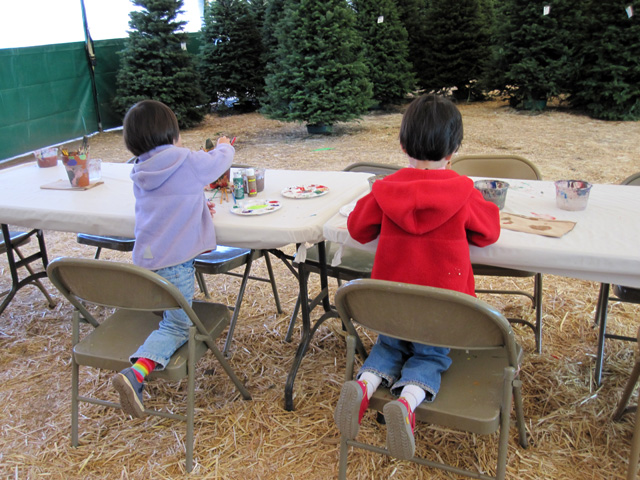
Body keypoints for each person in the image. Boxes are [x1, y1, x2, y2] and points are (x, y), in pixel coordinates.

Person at [334, 94, 501, 459]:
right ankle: (407, 403)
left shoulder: (384, 189)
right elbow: (489, 232)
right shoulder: (463, 191)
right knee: (431, 356)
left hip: (390, 307)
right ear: (454, 148)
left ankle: (363, 386)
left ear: (402, 144)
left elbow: (358, 229)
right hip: (444, 310)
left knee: (390, 345)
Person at [112, 99, 234, 418]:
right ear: (172, 134)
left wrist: (192, 208)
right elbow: (217, 163)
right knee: (178, 327)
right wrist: (223, 145)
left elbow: (166, 205)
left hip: (148, 262)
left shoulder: (140, 169)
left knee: (167, 308)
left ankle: (142, 364)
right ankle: (137, 373)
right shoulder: (184, 160)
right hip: (175, 265)